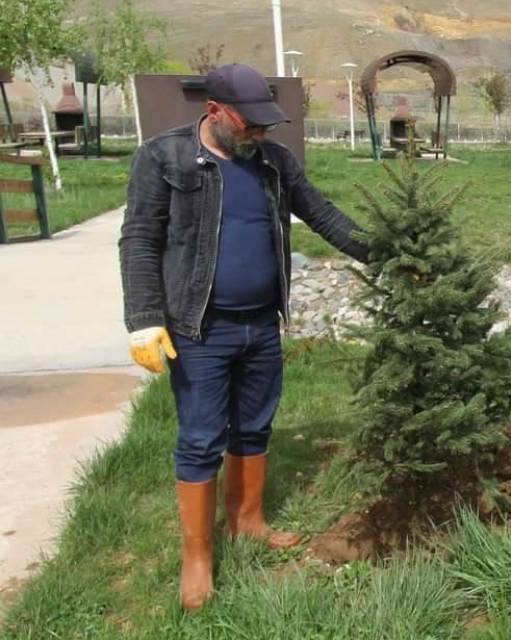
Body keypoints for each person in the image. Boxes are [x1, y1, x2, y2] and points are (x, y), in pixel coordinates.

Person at [119, 63, 369, 611]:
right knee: (202, 437)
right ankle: (198, 556)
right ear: (215, 111)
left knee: (254, 425)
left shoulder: (274, 164)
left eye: (265, 123)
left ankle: (248, 521)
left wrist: (386, 250)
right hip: (200, 327)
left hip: (261, 323)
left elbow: (323, 214)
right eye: (249, 123)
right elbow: (138, 239)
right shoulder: (165, 158)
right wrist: (143, 317)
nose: (260, 133)